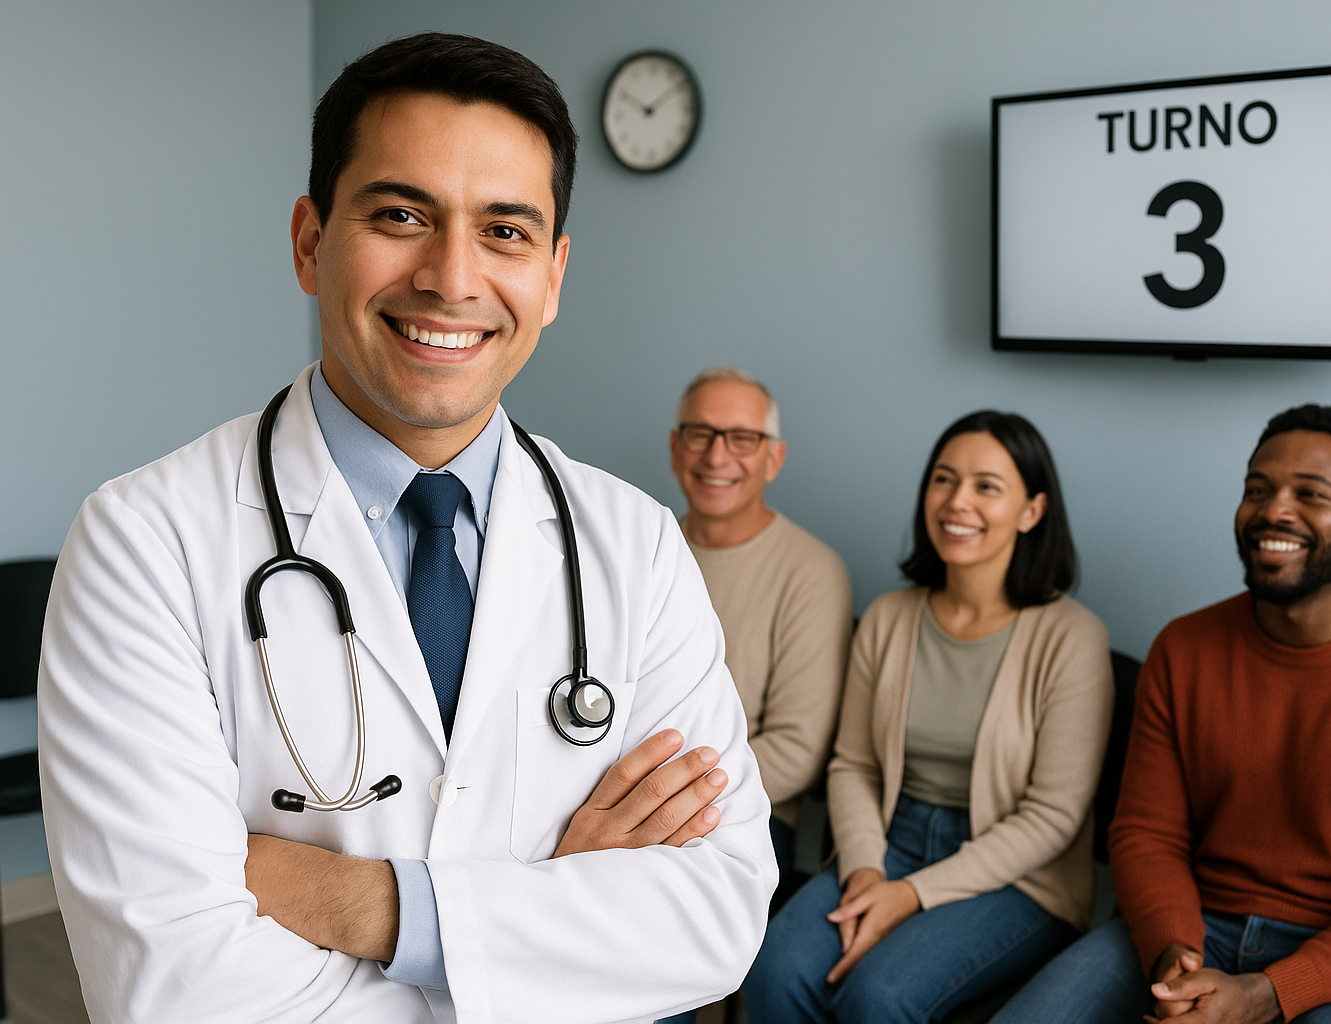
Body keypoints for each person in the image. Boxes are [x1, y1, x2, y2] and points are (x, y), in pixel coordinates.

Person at [37, 33, 774, 1023]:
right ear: (310, 239)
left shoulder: (634, 543)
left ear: (553, 277)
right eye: (400, 215)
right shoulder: (143, 543)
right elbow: (172, 990)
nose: (451, 277)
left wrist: (373, 904)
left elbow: (716, 916)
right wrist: (551, 914)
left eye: (505, 232)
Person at [993, 404, 1331, 1024]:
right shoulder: (1182, 650)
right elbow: (1147, 834)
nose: (1274, 510)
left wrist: (1269, 992)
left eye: (1309, 494)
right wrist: (1174, 958)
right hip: (1195, 930)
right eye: (1257, 490)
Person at [742, 410, 1114, 1023]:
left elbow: (1053, 815)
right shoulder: (890, 618)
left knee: (881, 996)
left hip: (1017, 874)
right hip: (889, 840)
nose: (956, 501)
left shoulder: (1071, 639)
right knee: (776, 966)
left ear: (1032, 511)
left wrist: (911, 896)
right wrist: (865, 870)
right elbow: (854, 765)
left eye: (986, 486)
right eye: (944, 480)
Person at [670, 367, 853, 887]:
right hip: (630, 806)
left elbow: (797, 751)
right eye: (699, 434)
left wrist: (670, 803)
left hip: (748, 818)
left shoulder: (812, 571)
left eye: (743, 439)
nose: (716, 456)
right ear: (675, 447)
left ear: (774, 458)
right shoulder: (644, 550)